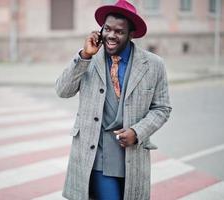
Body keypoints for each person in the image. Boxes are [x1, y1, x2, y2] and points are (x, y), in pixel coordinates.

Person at [55, 0, 172, 199]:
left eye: (119, 31)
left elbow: (162, 108)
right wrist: (84, 56)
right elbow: (62, 90)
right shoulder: (88, 60)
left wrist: (137, 131)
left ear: (131, 35)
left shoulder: (153, 65)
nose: (111, 35)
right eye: (107, 29)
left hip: (132, 156)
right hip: (96, 156)